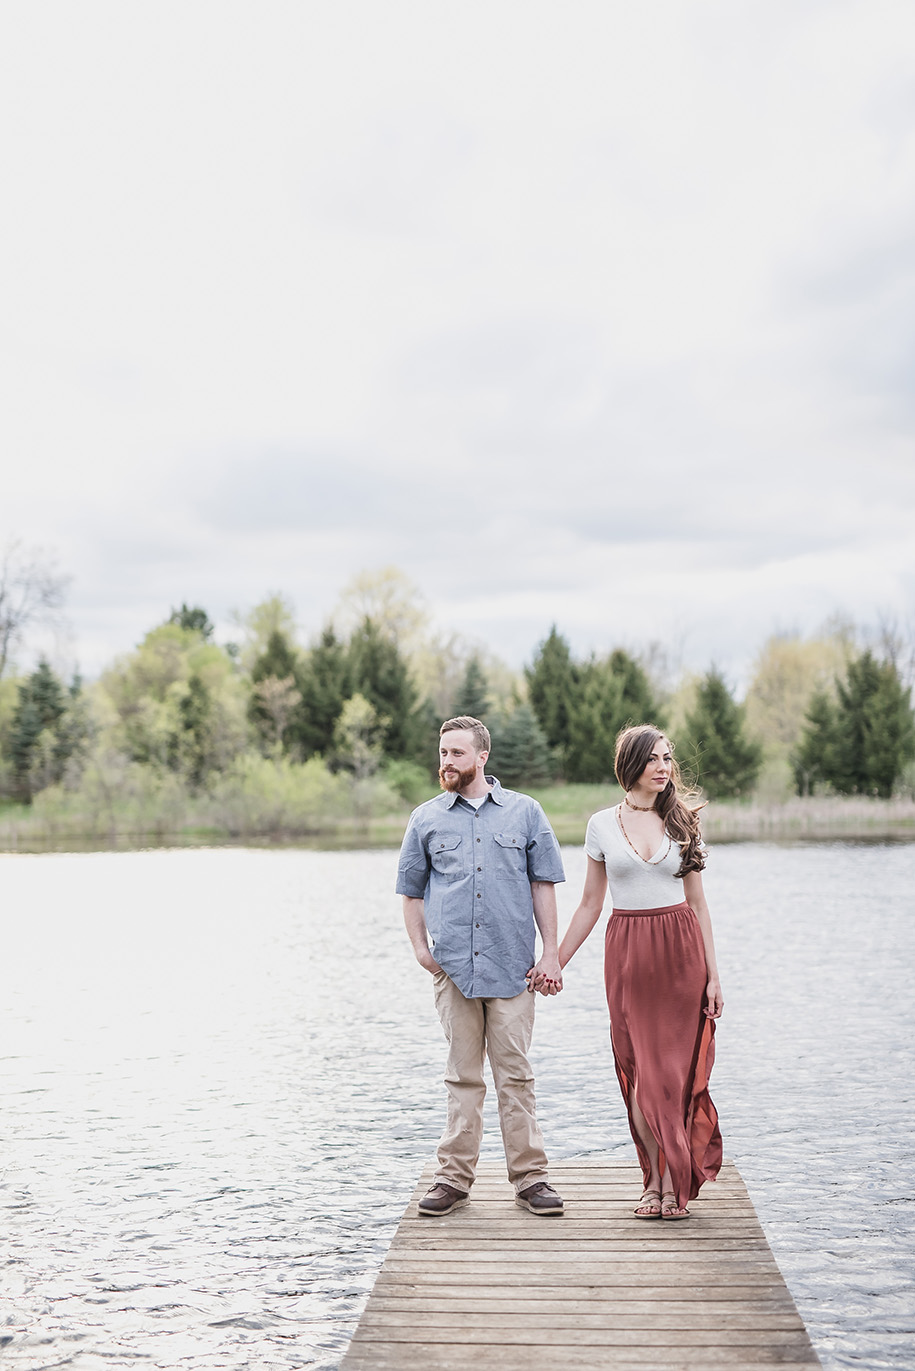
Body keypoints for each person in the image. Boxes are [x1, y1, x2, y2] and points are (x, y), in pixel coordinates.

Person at [549, 723, 723, 1220]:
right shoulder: (602, 824)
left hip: (681, 955)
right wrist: (555, 961)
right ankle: (652, 1179)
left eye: (669, 759)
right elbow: (589, 904)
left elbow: (699, 905)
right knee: (640, 1073)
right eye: (656, 760)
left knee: (673, 1072)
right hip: (628, 954)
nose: (665, 769)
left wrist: (714, 976)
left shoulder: (684, 820)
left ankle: (672, 1183)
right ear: (632, 765)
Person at [396, 715, 566, 1218]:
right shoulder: (425, 819)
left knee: (516, 1077)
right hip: (453, 971)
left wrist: (551, 952)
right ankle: (452, 1180)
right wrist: (421, 951)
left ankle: (531, 1179)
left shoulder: (526, 813)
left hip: (513, 968)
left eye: (457, 753)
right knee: (462, 1078)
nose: (446, 761)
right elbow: (409, 892)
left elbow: (544, 886)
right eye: (443, 752)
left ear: (482, 757)